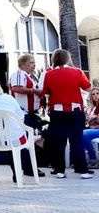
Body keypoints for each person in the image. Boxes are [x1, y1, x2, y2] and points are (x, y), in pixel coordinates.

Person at [0, 74, 46, 181]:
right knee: (18, 142)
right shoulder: (9, 99)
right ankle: (20, 171)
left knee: (9, 140)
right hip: (14, 140)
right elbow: (21, 118)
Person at [43, 49, 93, 179]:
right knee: (77, 141)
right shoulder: (77, 72)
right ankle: (83, 170)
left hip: (57, 112)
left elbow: (46, 93)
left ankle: (60, 170)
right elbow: (88, 88)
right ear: (67, 58)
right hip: (75, 111)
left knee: (59, 142)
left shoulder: (49, 74)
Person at [9, 54, 45, 130]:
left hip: (31, 113)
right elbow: (17, 88)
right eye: (31, 62)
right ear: (23, 64)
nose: (34, 65)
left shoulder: (28, 76)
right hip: (23, 113)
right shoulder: (19, 73)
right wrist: (34, 90)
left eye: (34, 63)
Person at [83, 88, 99, 168]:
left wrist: (94, 118)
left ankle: (93, 159)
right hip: (91, 129)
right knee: (76, 134)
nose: (96, 96)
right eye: (93, 94)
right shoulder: (91, 109)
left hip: (97, 129)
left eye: (97, 93)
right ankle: (77, 161)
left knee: (84, 134)